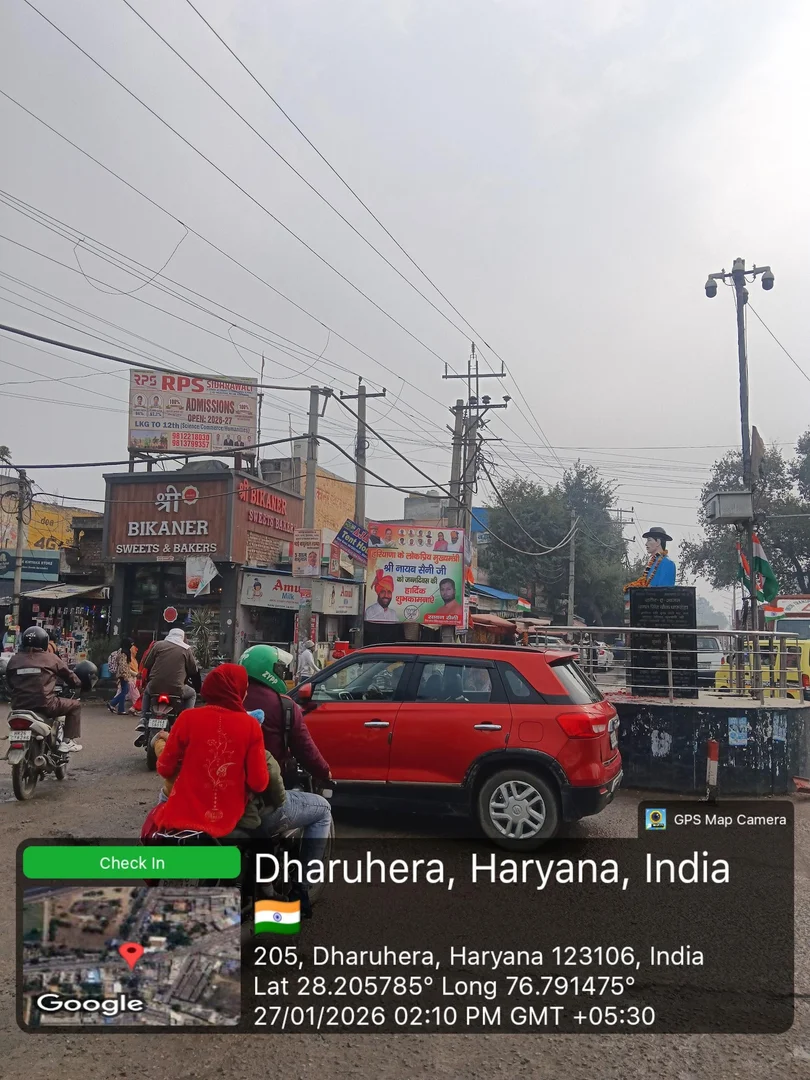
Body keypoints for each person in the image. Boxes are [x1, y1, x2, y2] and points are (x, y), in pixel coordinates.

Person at [239, 644, 332, 901]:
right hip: (259, 802)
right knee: (322, 810)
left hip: (214, 798)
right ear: (269, 671)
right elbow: (307, 752)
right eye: (279, 669)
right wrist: (325, 772)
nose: (282, 673)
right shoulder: (284, 706)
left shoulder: (227, 701)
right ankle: (302, 886)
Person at [145, 664, 269, 838]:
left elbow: (165, 768)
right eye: (245, 688)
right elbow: (259, 783)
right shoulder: (251, 726)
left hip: (180, 819)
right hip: (228, 820)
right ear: (237, 691)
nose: (246, 693)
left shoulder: (187, 718)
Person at [6, 625, 83, 752]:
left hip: (18, 705)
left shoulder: (14, 660)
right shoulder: (51, 658)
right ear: (44, 642)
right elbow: (70, 677)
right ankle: (67, 742)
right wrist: (78, 684)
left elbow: (10, 682)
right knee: (75, 705)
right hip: (46, 705)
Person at [136, 628, 199, 743]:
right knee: (192, 694)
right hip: (176, 690)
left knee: (146, 692)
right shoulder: (186, 649)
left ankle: (143, 719)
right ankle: (187, 722)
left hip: (155, 687)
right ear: (182, 637)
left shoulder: (158, 645)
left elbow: (147, 663)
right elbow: (193, 669)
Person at [107, 638, 133, 715]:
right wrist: (125, 675)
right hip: (123, 675)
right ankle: (120, 709)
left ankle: (112, 703)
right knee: (124, 691)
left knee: (125, 690)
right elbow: (123, 665)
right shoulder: (123, 653)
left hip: (123, 674)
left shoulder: (124, 652)